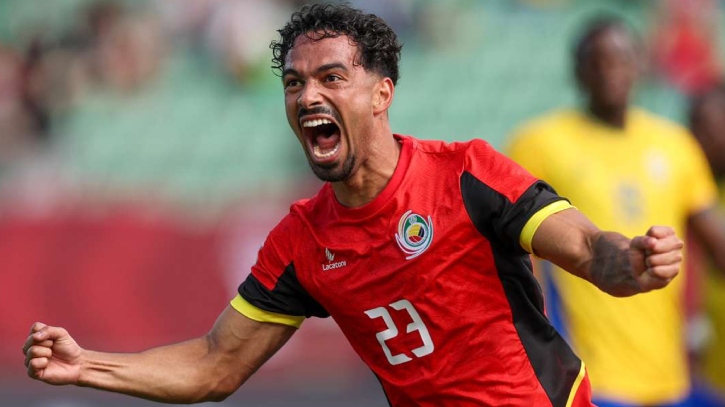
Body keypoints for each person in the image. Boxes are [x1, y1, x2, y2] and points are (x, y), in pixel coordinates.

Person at [23, 5, 685, 407]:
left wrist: (630, 260)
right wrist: (88, 366)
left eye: (331, 77)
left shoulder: (467, 174)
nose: (307, 95)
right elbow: (214, 366)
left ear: (381, 93)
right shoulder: (301, 242)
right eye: (294, 83)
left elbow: (587, 249)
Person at [506, 17, 725, 407]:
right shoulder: (539, 144)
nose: (610, 71)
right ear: (577, 71)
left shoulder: (675, 145)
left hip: (669, 380)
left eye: (621, 58)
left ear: (641, 64)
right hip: (587, 378)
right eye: (597, 61)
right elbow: (515, 256)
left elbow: (717, 245)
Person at [688, 85, 725, 406]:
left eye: (713, 127)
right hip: (698, 360)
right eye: (697, 126)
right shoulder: (686, 189)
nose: (703, 139)